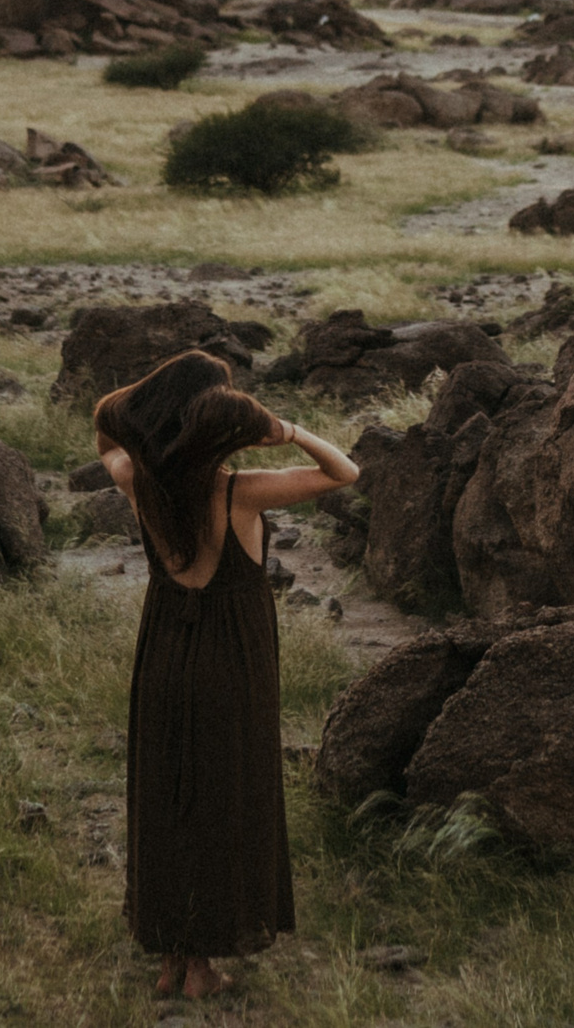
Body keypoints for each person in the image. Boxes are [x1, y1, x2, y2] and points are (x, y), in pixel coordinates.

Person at [95, 350, 359, 1000]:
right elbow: (345, 470)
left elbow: (106, 422)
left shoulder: (137, 479)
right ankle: (202, 969)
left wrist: (157, 403)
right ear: (216, 419)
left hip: (162, 656)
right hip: (230, 664)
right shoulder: (240, 491)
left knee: (168, 799)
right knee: (223, 801)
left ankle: (170, 957)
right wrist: (285, 428)